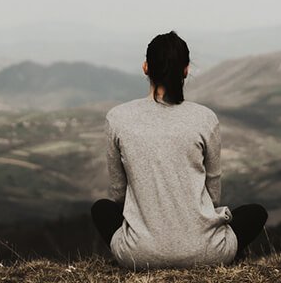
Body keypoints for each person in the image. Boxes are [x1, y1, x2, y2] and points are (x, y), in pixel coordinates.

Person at [90, 31, 268, 270]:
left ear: (145, 67)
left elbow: (118, 193)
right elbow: (213, 194)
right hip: (208, 253)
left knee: (101, 209)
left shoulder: (117, 118)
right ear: (186, 70)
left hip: (139, 255)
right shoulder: (205, 118)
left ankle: (147, 248)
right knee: (255, 213)